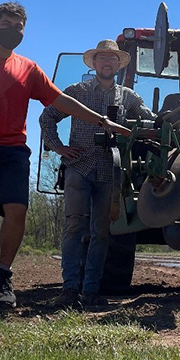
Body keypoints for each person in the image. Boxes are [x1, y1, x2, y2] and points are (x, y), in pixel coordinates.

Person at [0, 3, 131, 317]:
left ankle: (3, 276)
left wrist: (103, 122)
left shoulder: (29, 68)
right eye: (6, 23)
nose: (12, 30)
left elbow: (60, 100)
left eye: (18, 26)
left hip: (12, 150)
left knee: (17, 211)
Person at [40, 39, 154, 308]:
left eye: (112, 59)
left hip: (109, 171)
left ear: (118, 65)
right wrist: (59, 148)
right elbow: (47, 117)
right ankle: (69, 290)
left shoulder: (128, 97)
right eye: (102, 58)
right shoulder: (75, 92)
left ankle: (90, 291)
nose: (106, 62)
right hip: (78, 168)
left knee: (102, 232)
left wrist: (168, 119)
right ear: (94, 63)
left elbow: (150, 122)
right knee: (74, 226)